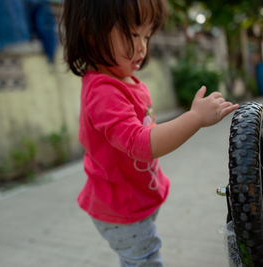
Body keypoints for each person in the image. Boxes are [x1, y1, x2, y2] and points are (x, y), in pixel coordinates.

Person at [59, 0, 239, 266]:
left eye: (146, 35)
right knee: (145, 260)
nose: (142, 46)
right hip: (121, 208)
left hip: (137, 198)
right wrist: (194, 119)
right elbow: (142, 143)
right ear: (91, 33)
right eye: (133, 34)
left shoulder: (125, 80)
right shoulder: (103, 92)